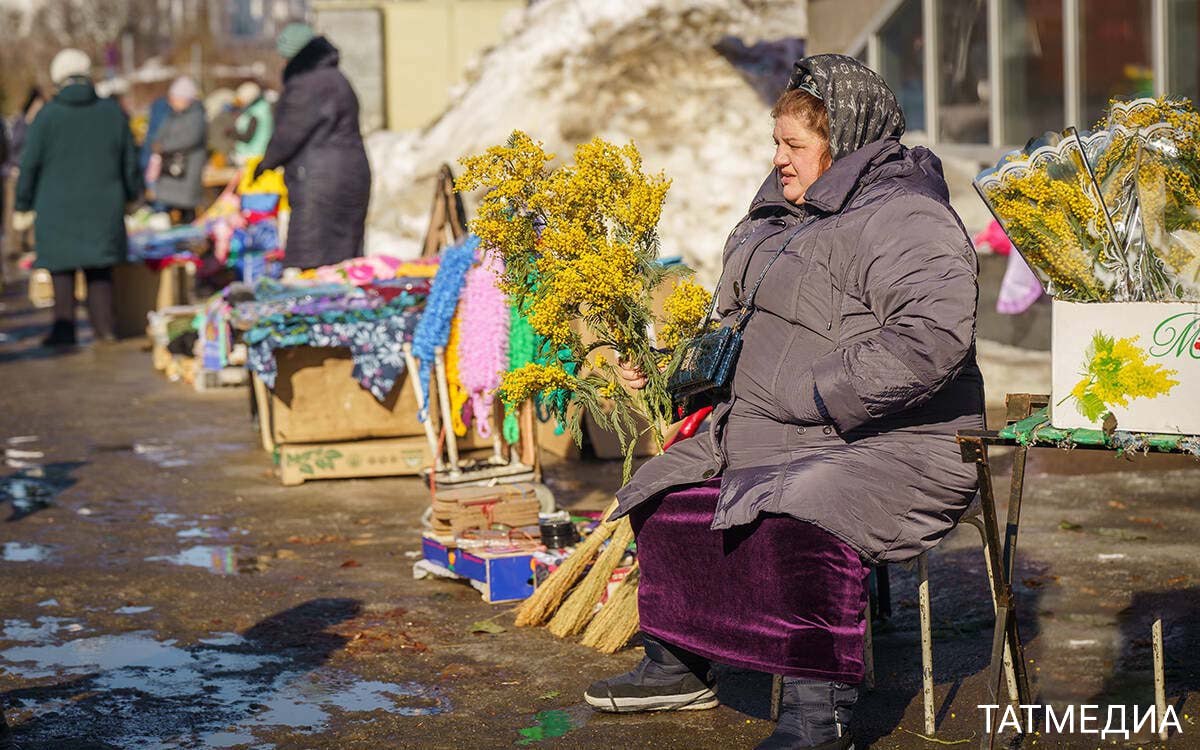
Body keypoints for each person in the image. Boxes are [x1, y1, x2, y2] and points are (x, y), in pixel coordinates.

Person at [586, 55, 984, 750]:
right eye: (777, 143)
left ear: (847, 142)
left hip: (886, 441)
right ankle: (678, 664)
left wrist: (816, 392)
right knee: (665, 490)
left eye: (794, 146)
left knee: (801, 512)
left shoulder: (905, 218)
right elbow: (735, 321)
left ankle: (814, 708)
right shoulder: (778, 211)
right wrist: (665, 372)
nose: (778, 159)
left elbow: (932, 338)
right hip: (771, 428)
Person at [13, 48, 140, 346]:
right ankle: (104, 328)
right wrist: (133, 195)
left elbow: (29, 163)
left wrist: (23, 204)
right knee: (100, 272)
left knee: (62, 269)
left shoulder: (47, 115)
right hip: (103, 206)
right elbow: (130, 160)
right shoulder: (112, 112)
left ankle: (64, 329)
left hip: (56, 208)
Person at [256, 22, 370, 270]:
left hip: (321, 182)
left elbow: (290, 132)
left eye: (285, 58)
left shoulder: (308, 83)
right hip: (347, 175)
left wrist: (266, 163)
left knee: (313, 260)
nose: (283, 64)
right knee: (343, 261)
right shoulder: (335, 77)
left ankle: (320, 305)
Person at [150, 76, 207, 223]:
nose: (171, 101)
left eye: (174, 97)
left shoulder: (196, 115)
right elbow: (160, 134)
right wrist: (158, 143)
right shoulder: (172, 115)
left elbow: (190, 138)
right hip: (171, 170)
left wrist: (164, 146)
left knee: (187, 210)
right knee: (169, 208)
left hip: (187, 171)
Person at [3, 88, 45, 274]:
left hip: (29, 172)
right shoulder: (21, 123)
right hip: (15, 172)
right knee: (15, 212)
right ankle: (14, 248)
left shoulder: (37, 122)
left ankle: (29, 245)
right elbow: (13, 147)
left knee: (29, 213)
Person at [232, 80, 273, 164]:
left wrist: (231, 133)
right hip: (260, 153)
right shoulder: (264, 109)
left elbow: (247, 137)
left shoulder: (256, 113)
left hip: (252, 155)